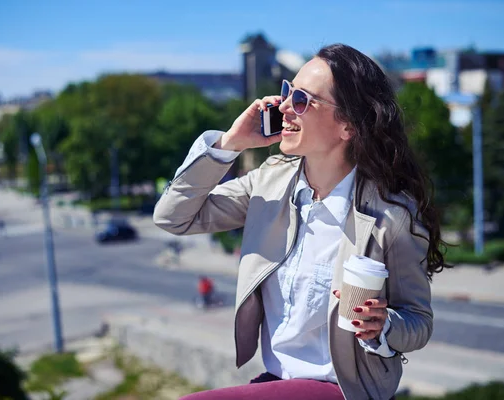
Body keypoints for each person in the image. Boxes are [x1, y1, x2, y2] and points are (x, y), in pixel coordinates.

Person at [153, 43, 451, 400]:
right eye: (286, 92)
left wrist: (383, 325)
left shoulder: (391, 216)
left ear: (348, 126)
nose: (283, 107)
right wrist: (229, 144)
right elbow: (173, 216)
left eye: (301, 101)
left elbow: (418, 321)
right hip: (275, 381)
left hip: (342, 389)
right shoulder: (270, 183)